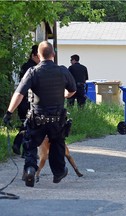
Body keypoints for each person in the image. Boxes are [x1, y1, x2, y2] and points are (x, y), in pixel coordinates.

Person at [3, 41, 76, 187]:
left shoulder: (33, 72)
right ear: (53, 54)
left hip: (37, 118)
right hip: (57, 119)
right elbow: (72, 90)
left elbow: (19, 94)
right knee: (57, 144)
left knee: (30, 145)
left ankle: (30, 169)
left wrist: (9, 113)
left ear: (38, 55)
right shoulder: (63, 71)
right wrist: (64, 95)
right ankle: (58, 172)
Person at [12, 45, 40, 156]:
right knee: (30, 126)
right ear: (33, 55)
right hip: (28, 101)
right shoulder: (32, 69)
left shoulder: (26, 66)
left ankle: (18, 144)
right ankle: (25, 150)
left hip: (23, 101)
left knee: (26, 125)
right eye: (38, 56)